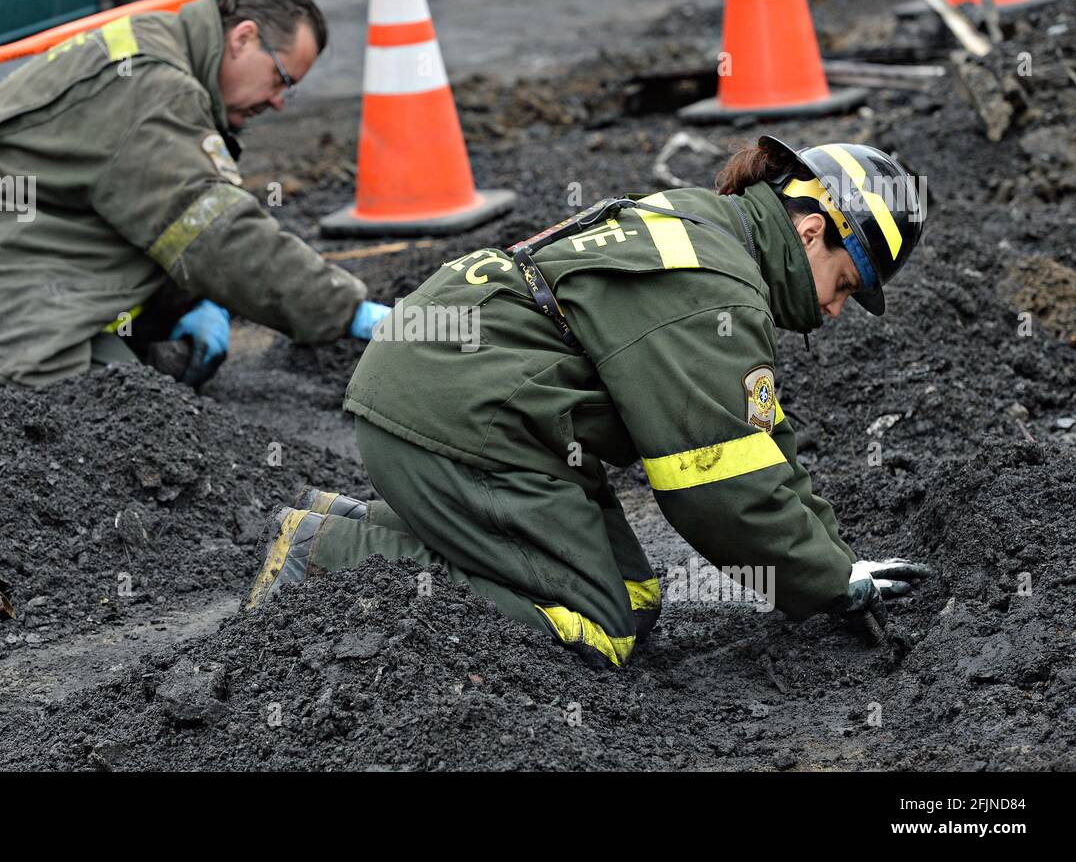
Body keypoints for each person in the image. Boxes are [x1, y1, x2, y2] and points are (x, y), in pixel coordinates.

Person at [245, 135, 935, 668]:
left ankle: (356, 524)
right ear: (812, 230)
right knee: (595, 628)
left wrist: (838, 564)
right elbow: (717, 487)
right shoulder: (714, 290)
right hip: (458, 417)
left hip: (473, 400)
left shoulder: (710, 232)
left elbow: (757, 443)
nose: (836, 310)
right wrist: (824, 584)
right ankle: (331, 552)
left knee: (634, 601)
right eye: (844, 284)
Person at [0, 0, 390, 436]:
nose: (282, 102)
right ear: (244, 38)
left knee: (161, 374)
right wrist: (347, 311)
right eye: (282, 79)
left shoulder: (162, 50)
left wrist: (190, 300)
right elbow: (219, 234)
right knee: (104, 412)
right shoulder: (157, 88)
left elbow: (160, 211)